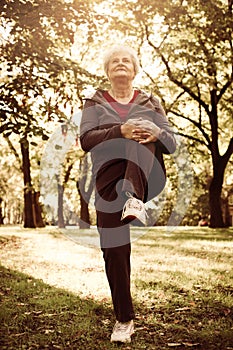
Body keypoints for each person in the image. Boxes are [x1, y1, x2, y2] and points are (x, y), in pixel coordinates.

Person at [80, 44, 176, 343]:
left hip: (147, 176)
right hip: (108, 184)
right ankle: (124, 319)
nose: (121, 65)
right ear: (108, 70)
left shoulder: (150, 101)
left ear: (135, 69)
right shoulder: (94, 101)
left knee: (144, 129)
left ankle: (134, 198)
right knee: (114, 251)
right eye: (115, 62)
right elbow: (85, 140)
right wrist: (119, 130)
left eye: (126, 61)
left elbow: (171, 143)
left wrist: (156, 133)